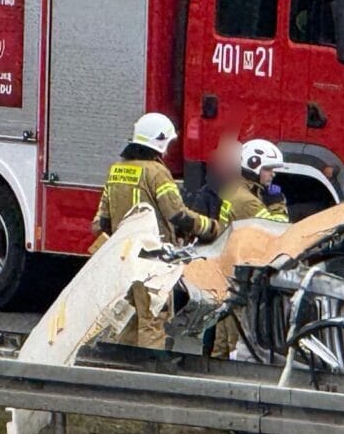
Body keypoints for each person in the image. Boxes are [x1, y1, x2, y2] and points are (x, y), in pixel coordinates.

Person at [91, 112, 221, 348]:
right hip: (153, 261)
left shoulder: (117, 170)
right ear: (159, 142)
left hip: (124, 258)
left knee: (129, 317)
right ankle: (149, 372)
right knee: (153, 318)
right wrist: (211, 228)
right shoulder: (156, 172)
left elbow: (102, 223)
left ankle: (122, 368)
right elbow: (177, 214)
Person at [209, 139, 291, 359]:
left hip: (228, 272)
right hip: (240, 277)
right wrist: (277, 204)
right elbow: (278, 232)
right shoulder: (247, 201)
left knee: (224, 339)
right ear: (254, 166)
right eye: (268, 169)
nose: (272, 175)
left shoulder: (236, 191)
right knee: (237, 339)